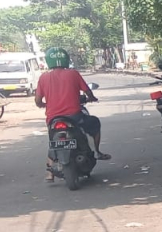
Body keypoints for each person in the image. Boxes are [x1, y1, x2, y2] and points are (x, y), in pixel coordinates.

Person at [35, 48, 108, 179]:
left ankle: (49, 172)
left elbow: (38, 101)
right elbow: (87, 91)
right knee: (95, 122)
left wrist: (45, 105)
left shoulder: (43, 77)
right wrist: (91, 98)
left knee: (53, 140)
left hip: (53, 119)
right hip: (75, 116)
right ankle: (96, 152)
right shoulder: (73, 74)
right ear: (66, 59)